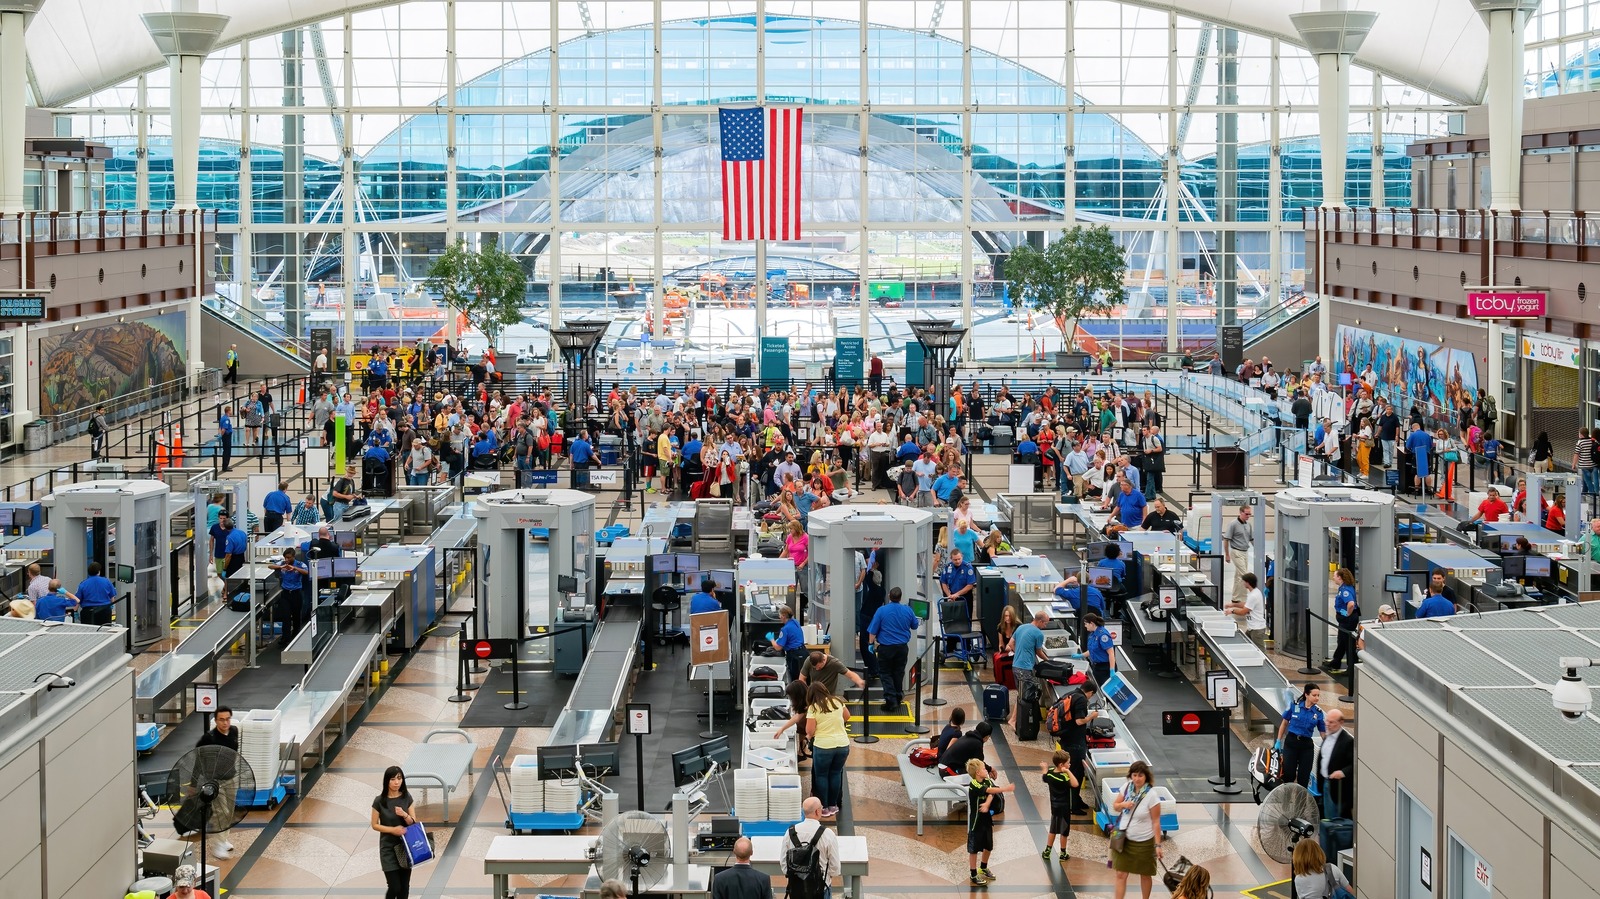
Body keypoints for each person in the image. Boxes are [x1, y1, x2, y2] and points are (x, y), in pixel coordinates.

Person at [1108, 760, 1164, 899]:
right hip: (1124, 839)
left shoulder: (1152, 795)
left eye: (1140, 775)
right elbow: (1115, 805)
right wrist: (1124, 804)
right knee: (1120, 874)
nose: (1137, 779)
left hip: (1144, 842)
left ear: (1146, 777)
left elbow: (1156, 822)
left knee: (1145, 875)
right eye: (1134, 775)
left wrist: (1157, 845)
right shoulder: (1126, 788)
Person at [964, 756, 1015, 888]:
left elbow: (991, 793)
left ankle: (983, 868)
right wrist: (1005, 789)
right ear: (977, 773)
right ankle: (973, 874)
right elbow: (990, 791)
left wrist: (986, 803)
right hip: (976, 821)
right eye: (983, 768)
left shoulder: (986, 780)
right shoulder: (974, 784)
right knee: (974, 848)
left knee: (989, 845)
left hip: (986, 819)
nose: (986, 769)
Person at [867, 587, 919, 711]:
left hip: (886, 648)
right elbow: (915, 625)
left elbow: (873, 630)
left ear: (889, 596)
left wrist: (870, 644)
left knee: (885, 674)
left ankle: (891, 701)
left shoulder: (881, 611)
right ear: (900, 597)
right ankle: (898, 696)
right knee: (898, 673)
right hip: (902, 648)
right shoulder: (908, 610)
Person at [804, 682, 850, 818]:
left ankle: (823, 807)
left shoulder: (813, 707)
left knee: (822, 776)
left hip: (823, 746)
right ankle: (833, 805)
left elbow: (810, 731)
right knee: (835, 774)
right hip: (842, 745)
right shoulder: (837, 701)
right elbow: (847, 716)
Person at [371, 766, 418, 899]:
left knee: (404, 888)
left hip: (405, 848)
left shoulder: (406, 797)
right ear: (387, 781)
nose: (397, 782)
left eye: (399, 778)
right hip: (388, 849)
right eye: (393, 779)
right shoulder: (379, 801)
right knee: (394, 887)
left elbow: (413, 822)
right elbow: (374, 825)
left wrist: (404, 815)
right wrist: (393, 830)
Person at [787, 797, 841, 899]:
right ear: (817, 811)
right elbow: (835, 868)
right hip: (821, 889)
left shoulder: (790, 832)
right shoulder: (827, 834)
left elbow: (784, 863)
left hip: (797, 889)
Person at [1275, 684, 1327, 788]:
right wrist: (1278, 740)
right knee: (1288, 775)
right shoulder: (1295, 705)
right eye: (1314, 695)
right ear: (1306, 694)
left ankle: (1300, 801)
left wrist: (1328, 746)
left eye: (1318, 695)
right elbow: (1284, 723)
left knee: (1304, 777)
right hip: (1291, 743)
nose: (1317, 698)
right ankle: (1286, 798)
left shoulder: (1318, 713)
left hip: (1306, 746)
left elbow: (1322, 732)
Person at [1006, 610, 1048, 727]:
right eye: (1045, 623)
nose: (1045, 626)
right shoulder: (1038, 634)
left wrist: (1018, 652)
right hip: (1025, 668)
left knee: (1021, 694)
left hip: (1015, 666)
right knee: (1023, 695)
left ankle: (1015, 720)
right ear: (1039, 621)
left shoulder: (1021, 627)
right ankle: (1013, 720)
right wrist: (1048, 660)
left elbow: (1011, 643)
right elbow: (1038, 652)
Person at [1039, 750, 1081, 863]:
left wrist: (1045, 768)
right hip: (1064, 808)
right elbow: (1075, 784)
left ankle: (1047, 851)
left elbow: (1044, 777)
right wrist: (1067, 771)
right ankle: (1063, 853)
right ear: (1062, 765)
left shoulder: (1051, 773)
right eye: (1068, 763)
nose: (1070, 765)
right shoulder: (1063, 778)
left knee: (1053, 828)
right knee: (1064, 831)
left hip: (1054, 807)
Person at [1317, 708, 1355, 821]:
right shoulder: (1328, 736)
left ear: (1341, 722)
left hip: (1338, 788)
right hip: (1325, 783)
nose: (1327, 724)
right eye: (1326, 721)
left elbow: (1354, 765)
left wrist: (1342, 772)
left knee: (1335, 820)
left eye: (1331, 722)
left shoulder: (1347, 741)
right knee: (1327, 817)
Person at [1327, 568, 1360, 674]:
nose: (1333, 577)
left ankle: (1351, 668)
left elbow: (1351, 604)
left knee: (1348, 643)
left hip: (1348, 620)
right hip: (1345, 620)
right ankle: (1336, 661)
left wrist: (1347, 614)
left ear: (1340, 577)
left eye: (1335, 576)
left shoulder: (1345, 590)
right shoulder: (1343, 588)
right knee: (1341, 641)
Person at [1226, 572, 1267, 648]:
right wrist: (1233, 604)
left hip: (1256, 629)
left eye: (1243, 581)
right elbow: (1247, 604)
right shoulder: (1255, 592)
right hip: (1252, 628)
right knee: (1245, 644)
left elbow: (1243, 612)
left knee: (1260, 650)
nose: (1242, 583)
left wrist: (1231, 611)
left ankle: (1263, 660)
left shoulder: (1253, 596)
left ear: (1247, 583)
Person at [800, 649, 865, 696]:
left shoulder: (834, 663)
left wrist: (859, 681)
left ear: (823, 660)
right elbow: (802, 678)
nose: (817, 669)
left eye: (819, 667)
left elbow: (850, 674)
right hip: (814, 695)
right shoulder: (808, 660)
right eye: (814, 668)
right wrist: (807, 693)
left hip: (828, 696)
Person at [1224, 506, 1254, 603]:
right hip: (1236, 552)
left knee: (1238, 577)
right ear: (1240, 512)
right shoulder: (1233, 524)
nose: (1248, 516)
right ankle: (1250, 595)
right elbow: (1226, 539)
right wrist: (1227, 554)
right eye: (1246, 514)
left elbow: (1251, 539)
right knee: (1245, 574)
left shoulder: (1248, 525)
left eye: (1250, 514)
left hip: (1245, 552)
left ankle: (1236, 597)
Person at [771, 605, 807, 682]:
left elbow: (778, 647)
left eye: (780, 615)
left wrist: (771, 639)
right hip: (804, 653)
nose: (779, 617)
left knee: (796, 681)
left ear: (784, 616)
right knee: (805, 678)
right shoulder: (795, 622)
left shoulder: (785, 629)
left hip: (795, 656)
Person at [75, 561, 117, 625]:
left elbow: (77, 600)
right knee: (105, 632)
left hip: (88, 613)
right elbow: (112, 597)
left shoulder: (83, 584)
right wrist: (110, 606)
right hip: (104, 611)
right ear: (99, 571)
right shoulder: (107, 581)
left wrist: (75, 612)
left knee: (89, 632)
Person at [1082, 611, 1117, 686]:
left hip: (1105, 668)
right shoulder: (1092, 634)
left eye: (1086, 624)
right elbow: (1093, 650)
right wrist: (1081, 655)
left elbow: (1111, 653)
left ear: (1091, 623)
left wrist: (1112, 670)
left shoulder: (1103, 636)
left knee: (1108, 690)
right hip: (1097, 667)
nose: (1085, 626)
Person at [1403, 421, 1434, 495]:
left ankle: (1416, 490)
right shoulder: (1427, 435)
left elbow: (1408, 446)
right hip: (1426, 454)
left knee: (1417, 473)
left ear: (1413, 428)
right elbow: (1431, 446)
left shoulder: (1413, 435)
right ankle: (1429, 490)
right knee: (1427, 473)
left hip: (1417, 454)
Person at [217, 405, 234, 472]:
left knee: (225, 450)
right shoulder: (226, 419)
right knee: (227, 451)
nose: (231, 411)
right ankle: (225, 466)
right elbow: (223, 429)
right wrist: (221, 435)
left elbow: (219, 427)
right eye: (231, 410)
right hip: (227, 436)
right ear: (228, 411)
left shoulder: (222, 417)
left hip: (225, 436)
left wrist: (219, 434)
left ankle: (225, 465)